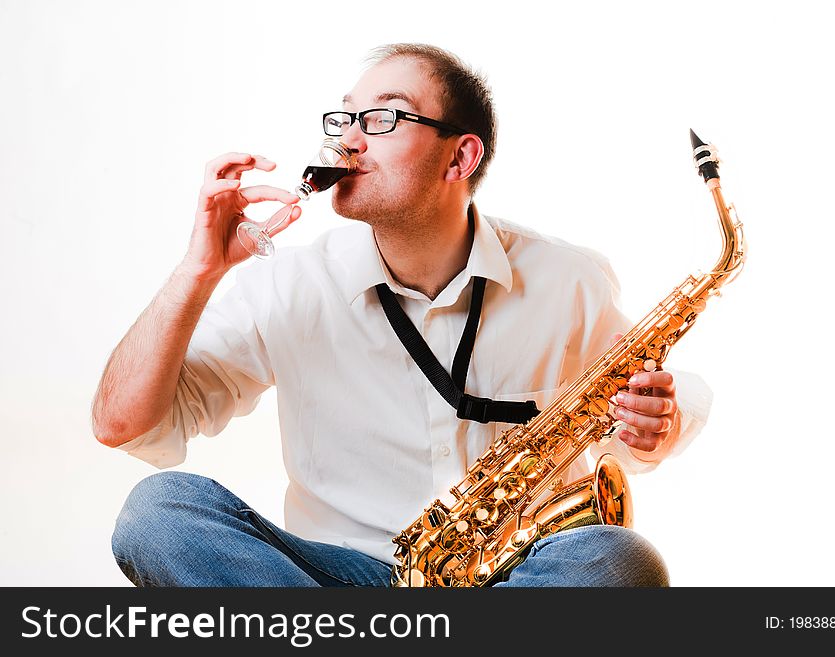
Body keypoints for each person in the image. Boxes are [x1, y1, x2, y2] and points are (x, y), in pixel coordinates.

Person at [93, 43, 712, 587]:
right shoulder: (288, 285)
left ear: (459, 159)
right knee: (158, 513)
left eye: (381, 118)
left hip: (507, 575)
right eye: (345, 118)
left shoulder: (567, 280)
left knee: (614, 558)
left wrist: (659, 416)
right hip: (339, 578)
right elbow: (125, 425)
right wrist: (196, 272)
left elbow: (645, 405)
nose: (346, 140)